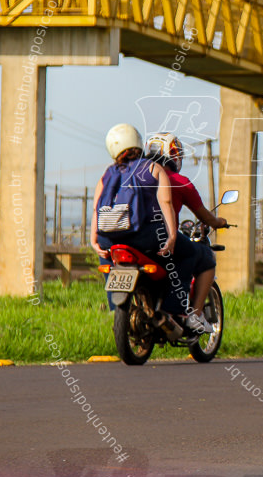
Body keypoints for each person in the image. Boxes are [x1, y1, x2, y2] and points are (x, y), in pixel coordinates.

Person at [91, 124, 195, 317]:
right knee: (190, 254)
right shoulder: (153, 168)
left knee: (104, 256)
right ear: (139, 143)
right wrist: (172, 236)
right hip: (146, 237)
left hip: (110, 239)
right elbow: (166, 202)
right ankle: (174, 309)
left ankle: (116, 310)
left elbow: (97, 208)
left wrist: (94, 240)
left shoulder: (107, 174)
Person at [145, 132, 228, 335]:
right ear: (172, 155)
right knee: (205, 257)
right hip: (164, 239)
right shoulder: (179, 181)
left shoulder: (136, 177)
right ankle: (194, 315)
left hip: (138, 238)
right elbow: (206, 217)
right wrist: (219, 222)